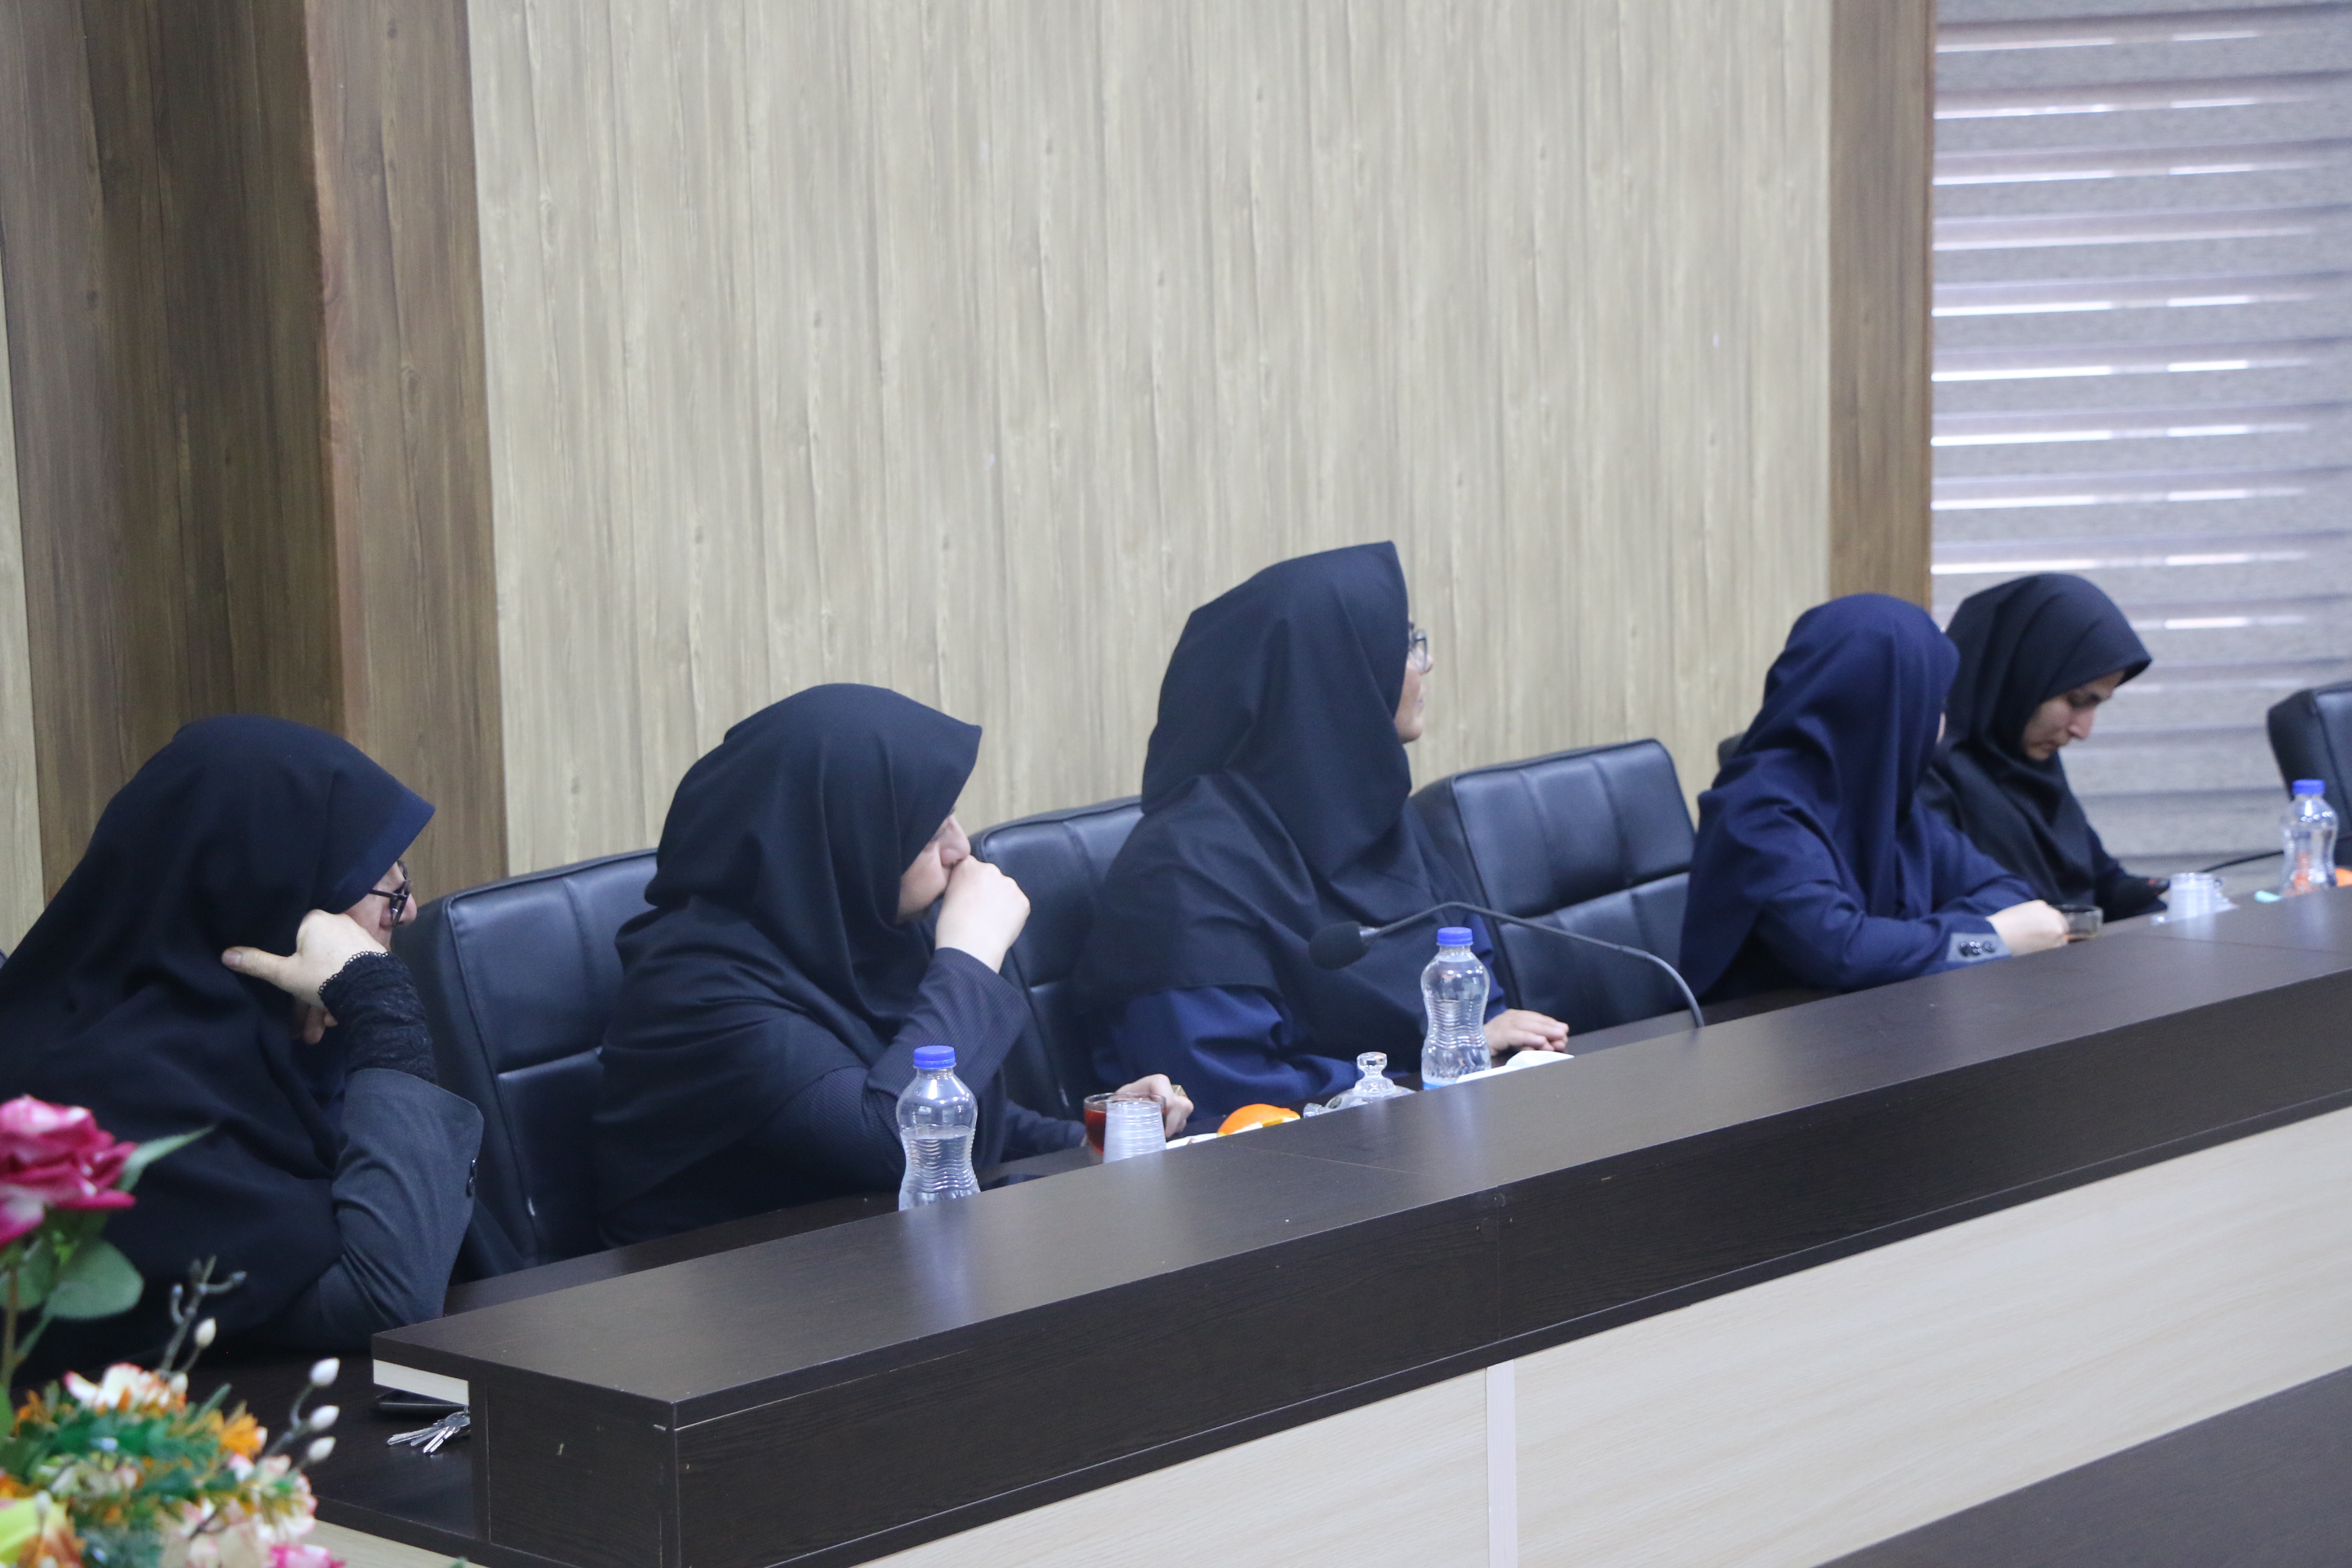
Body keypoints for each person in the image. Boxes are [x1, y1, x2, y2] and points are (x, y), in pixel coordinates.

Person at [593, 685, 1188, 1245]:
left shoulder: (867, 930)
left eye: (951, 818)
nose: (961, 850)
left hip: (868, 1263)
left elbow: (963, 1119)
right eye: (928, 834)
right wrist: (969, 957)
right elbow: (895, 1143)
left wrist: (1095, 1139)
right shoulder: (696, 991)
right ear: (839, 845)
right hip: (720, 1294)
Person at [0, 716, 482, 1369]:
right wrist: (381, 1005)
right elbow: (387, 1299)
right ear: (270, 898)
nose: (411, 909)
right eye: (384, 888)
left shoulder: (282, 1042)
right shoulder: (104, 1097)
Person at [1072, 543, 1569, 1125]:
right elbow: (1224, 1091)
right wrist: (1432, 1070)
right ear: (1339, 670)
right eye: (1405, 644)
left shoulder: (1370, 808)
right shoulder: (1181, 870)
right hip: (1287, 1168)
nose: (1426, 663)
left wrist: (1479, 1045)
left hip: (1439, 1132)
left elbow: (1470, 982)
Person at [1681, 594, 2070, 1004]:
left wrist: (1906, 944)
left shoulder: (1881, 795)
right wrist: (1987, 940)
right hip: (1763, 1035)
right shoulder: (1757, 811)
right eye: (1935, 706)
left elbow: (2007, 890)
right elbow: (1844, 952)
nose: (1941, 729)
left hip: (1868, 1022)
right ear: (1886, 709)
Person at [1920, 574, 2164, 920]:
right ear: (2020, 677)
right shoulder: (1925, 775)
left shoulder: (2029, 765)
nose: (2083, 730)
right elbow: (1956, 924)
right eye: (2077, 700)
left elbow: (2103, 882)